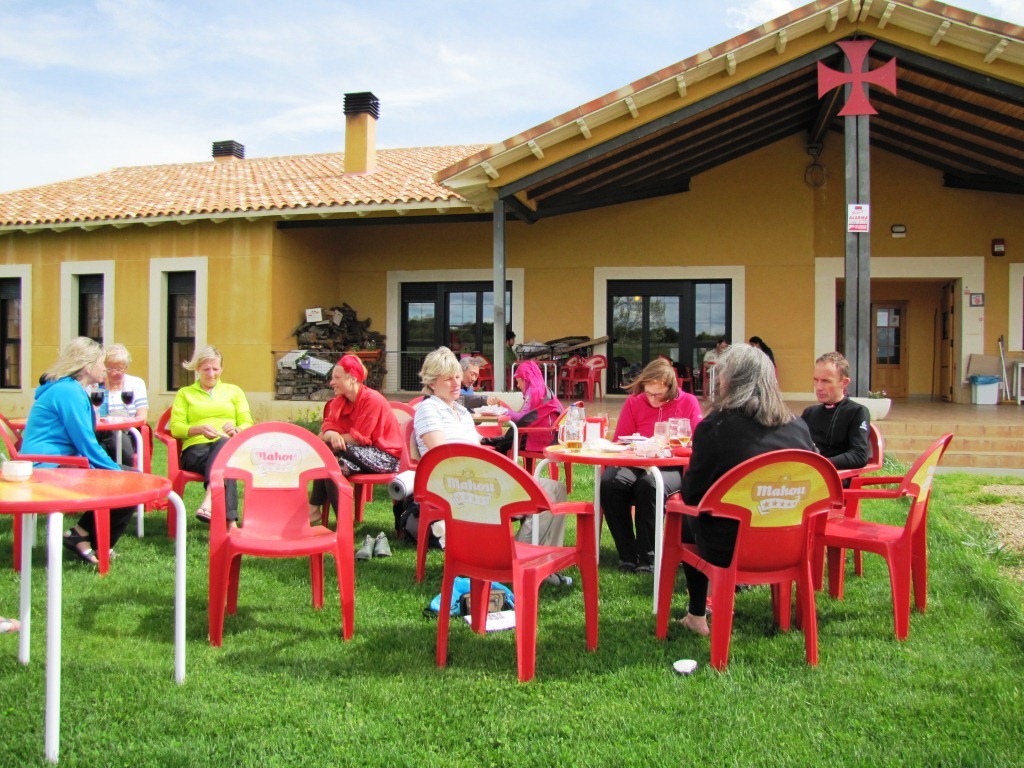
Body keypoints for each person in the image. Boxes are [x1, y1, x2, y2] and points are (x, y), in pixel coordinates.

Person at [677, 343, 816, 636]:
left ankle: (696, 615)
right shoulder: (798, 426)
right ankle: (786, 619)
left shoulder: (714, 427)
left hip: (729, 548)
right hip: (791, 543)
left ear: (729, 380)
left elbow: (694, 496)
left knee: (684, 519)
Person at [412, 347, 572, 584]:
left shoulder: (460, 412)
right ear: (432, 382)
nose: (456, 383)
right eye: (448, 379)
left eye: (457, 376)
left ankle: (537, 561)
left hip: (478, 478)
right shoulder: (429, 409)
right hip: (457, 485)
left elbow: (476, 447)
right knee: (542, 493)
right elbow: (440, 459)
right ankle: (517, 565)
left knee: (555, 489)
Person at [20, 336, 136, 565]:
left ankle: (83, 535)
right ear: (87, 366)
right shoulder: (68, 391)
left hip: (59, 462)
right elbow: (86, 442)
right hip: (46, 467)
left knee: (130, 478)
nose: (105, 368)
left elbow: (84, 441)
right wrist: (115, 471)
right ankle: (90, 539)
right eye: (102, 363)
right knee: (129, 483)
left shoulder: (71, 389)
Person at [601, 357, 704, 573]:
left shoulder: (688, 403)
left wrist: (675, 446)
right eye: (648, 393)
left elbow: (698, 444)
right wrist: (638, 444)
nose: (652, 398)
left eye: (658, 394)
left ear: (671, 388)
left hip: (671, 464)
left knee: (650, 485)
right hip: (636, 459)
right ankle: (627, 554)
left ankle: (648, 556)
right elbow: (620, 440)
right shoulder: (635, 402)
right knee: (611, 483)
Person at [307, 354, 402, 551]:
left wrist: (330, 439)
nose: (332, 382)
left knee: (326, 450)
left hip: (386, 457)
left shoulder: (372, 399)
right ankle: (344, 524)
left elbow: (360, 438)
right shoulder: (339, 402)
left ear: (352, 378)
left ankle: (314, 507)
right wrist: (332, 434)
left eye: (337, 377)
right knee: (332, 465)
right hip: (358, 454)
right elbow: (326, 429)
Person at [169, 346, 253, 525]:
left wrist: (237, 429)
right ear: (197, 368)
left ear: (222, 369)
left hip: (227, 446)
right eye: (206, 369)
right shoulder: (185, 394)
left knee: (224, 445)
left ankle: (209, 500)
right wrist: (199, 429)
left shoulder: (234, 391)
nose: (211, 374)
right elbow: (176, 428)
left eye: (215, 369)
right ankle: (230, 523)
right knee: (225, 463)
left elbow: (247, 422)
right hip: (196, 451)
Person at [800, 351, 870, 471]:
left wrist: (820, 464)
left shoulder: (857, 412)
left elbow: (859, 455)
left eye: (826, 381)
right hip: (806, 474)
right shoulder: (809, 413)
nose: (818, 387)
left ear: (844, 383)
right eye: (816, 380)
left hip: (835, 476)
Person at [486, 359, 563, 455]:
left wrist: (502, 411)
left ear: (526, 379)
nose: (518, 385)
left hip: (538, 437)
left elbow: (522, 418)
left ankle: (483, 444)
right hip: (549, 435)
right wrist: (502, 407)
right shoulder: (542, 389)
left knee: (501, 445)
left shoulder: (533, 392)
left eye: (519, 381)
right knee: (503, 441)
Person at [95, 343, 149, 467]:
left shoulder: (135, 383)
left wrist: (123, 422)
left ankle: (121, 472)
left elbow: (142, 416)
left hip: (127, 431)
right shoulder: (97, 386)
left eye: (118, 369)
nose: (113, 373)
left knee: (114, 439)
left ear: (126, 367)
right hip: (100, 431)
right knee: (103, 443)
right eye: (109, 369)